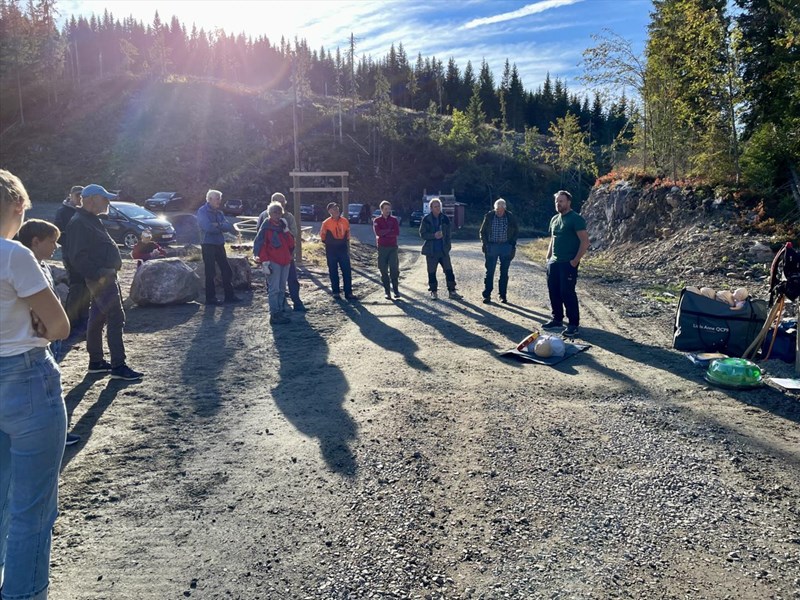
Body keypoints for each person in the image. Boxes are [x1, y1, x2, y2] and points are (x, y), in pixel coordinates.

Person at [0, 170, 71, 600]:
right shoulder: (13, 255)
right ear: (19, 209)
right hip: (24, 380)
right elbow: (60, 326)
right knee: (33, 507)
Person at [64, 184, 144, 380]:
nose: (108, 201)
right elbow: (78, 257)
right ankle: (118, 366)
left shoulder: (89, 219)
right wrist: (101, 273)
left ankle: (96, 362)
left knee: (97, 318)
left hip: (103, 277)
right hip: (100, 279)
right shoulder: (79, 222)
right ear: (91, 200)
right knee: (116, 317)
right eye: (104, 198)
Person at [17, 219, 82, 446]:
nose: (56, 246)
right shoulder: (25, 268)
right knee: (42, 391)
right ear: (35, 242)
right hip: (38, 341)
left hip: (50, 339)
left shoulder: (42, 265)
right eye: (52, 241)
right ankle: (50, 436)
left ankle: (55, 432)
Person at [544, 190, 590, 336]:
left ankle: (573, 324)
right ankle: (557, 318)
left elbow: (585, 241)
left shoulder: (576, 219)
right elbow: (553, 238)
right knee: (554, 291)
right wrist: (548, 257)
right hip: (554, 262)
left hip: (568, 263)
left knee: (567, 292)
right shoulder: (554, 219)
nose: (558, 204)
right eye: (557, 201)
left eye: (561, 201)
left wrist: (575, 260)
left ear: (568, 202)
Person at [257, 192, 306, 312]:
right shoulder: (264, 217)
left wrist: (285, 232)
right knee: (273, 284)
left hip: (287, 255)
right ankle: (276, 310)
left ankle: (295, 301)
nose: (282, 204)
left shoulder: (288, 217)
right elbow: (260, 237)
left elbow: (293, 234)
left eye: (283, 202)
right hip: (271, 256)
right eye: (279, 202)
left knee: (290, 280)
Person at [56, 185, 90, 337]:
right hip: (70, 255)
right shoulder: (62, 212)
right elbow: (58, 234)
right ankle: (71, 322)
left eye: (82, 195)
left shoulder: (85, 211)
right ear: (70, 196)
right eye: (77, 195)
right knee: (76, 288)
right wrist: (73, 242)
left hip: (86, 256)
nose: (79, 198)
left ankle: (84, 319)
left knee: (87, 287)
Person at [253, 201, 295, 325]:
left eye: (279, 212)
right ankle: (274, 314)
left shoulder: (282, 226)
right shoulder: (266, 227)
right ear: (269, 213)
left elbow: (291, 244)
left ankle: (280, 312)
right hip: (273, 261)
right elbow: (261, 245)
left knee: (282, 288)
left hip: (285, 261)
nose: (277, 215)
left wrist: (286, 231)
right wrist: (265, 262)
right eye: (274, 212)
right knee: (274, 289)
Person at [197, 189, 240, 305]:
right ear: (210, 199)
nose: (219, 201)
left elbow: (228, 226)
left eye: (219, 199)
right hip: (208, 244)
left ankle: (229, 296)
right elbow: (207, 228)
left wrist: (217, 225)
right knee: (210, 272)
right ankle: (210, 298)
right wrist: (219, 227)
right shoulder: (202, 212)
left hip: (219, 244)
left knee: (227, 270)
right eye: (217, 199)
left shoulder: (219, 213)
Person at [479, 198, 519, 304]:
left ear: (504, 209)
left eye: (501, 210)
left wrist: (512, 244)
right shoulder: (489, 216)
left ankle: (502, 296)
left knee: (504, 273)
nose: (499, 212)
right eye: (497, 210)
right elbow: (482, 232)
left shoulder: (510, 217)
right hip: (492, 246)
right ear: (494, 208)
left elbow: (516, 231)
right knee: (490, 272)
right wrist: (485, 244)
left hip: (506, 246)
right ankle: (487, 295)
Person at [419, 198, 460, 300]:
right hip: (431, 251)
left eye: (439, 206)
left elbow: (449, 234)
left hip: (443, 251)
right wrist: (434, 235)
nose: (438, 208)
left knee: (449, 270)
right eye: (435, 206)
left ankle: (452, 291)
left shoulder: (445, 218)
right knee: (431, 272)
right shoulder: (426, 219)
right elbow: (422, 234)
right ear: (431, 208)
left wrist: (448, 246)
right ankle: (433, 291)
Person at [319, 202, 356, 300]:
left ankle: (348, 293)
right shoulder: (326, 223)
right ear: (329, 211)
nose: (336, 210)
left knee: (347, 271)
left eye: (337, 208)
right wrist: (331, 243)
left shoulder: (345, 221)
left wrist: (346, 247)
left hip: (343, 248)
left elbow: (348, 235)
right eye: (334, 209)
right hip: (331, 250)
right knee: (333, 271)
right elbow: (322, 236)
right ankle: (336, 292)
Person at [373, 200, 401, 300]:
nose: (388, 211)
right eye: (386, 209)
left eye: (389, 209)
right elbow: (378, 233)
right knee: (383, 269)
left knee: (394, 269)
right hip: (382, 248)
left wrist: (385, 233)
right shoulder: (377, 220)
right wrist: (389, 230)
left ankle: (396, 290)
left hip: (393, 247)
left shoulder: (394, 220)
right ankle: (387, 292)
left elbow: (396, 232)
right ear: (381, 210)